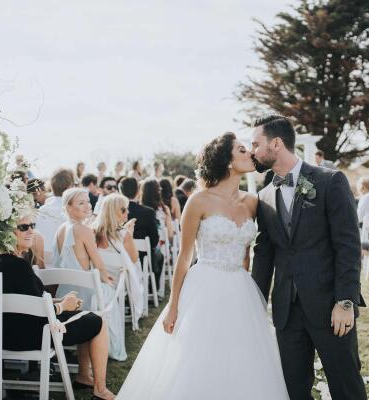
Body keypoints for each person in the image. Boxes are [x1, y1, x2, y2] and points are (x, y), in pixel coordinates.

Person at [117, 133, 289, 399]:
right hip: (204, 286)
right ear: (226, 160)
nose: (251, 153)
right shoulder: (199, 201)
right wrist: (173, 306)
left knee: (241, 357)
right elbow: (184, 257)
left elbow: (247, 253)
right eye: (242, 150)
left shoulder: (253, 202)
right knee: (197, 356)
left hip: (240, 290)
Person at [251, 115, 367, 400]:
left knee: (346, 386)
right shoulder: (264, 196)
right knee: (293, 390)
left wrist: (345, 301)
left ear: (276, 144)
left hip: (331, 307)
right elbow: (264, 254)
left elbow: (349, 246)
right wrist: (253, 302)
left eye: (256, 144)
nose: (252, 150)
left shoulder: (330, 181)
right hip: (286, 313)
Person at [0, 214, 115, 400]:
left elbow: (30, 301)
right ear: (7, 233)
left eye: (31, 225)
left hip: (7, 336)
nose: (30, 230)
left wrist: (59, 302)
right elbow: (38, 313)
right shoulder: (19, 266)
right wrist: (64, 305)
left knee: (85, 317)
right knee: (98, 321)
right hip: (36, 336)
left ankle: (84, 376)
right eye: (23, 227)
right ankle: (100, 388)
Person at [52, 188, 126, 361]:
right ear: (68, 207)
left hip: (65, 293)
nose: (87, 206)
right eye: (81, 203)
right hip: (85, 295)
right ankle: (111, 350)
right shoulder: (83, 230)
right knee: (111, 291)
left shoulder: (61, 229)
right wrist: (107, 278)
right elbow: (99, 265)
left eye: (87, 201)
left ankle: (86, 367)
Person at [93, 193, 145, 328]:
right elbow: (134, 258)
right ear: (112, 212)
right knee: (137, 268)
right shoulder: (124, 234)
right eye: (123, 210)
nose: (127, 212)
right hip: (118, 281)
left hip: (98, 279)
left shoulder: (92, 231)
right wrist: (130, 235)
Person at [119, 177, 161, 275]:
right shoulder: (148, 212)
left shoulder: (116, 211)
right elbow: (154, 240)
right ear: (138, 192)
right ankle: (154, 286)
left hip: (120, 258)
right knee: (159, 256)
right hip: (143, 258)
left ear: (120, 191)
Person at [35, 168, 74, 252]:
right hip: (63, 261)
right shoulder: (72, 211)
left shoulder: (42, 210)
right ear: (70, 187)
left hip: (42, 258)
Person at [140, 178, 174, 242]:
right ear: (158, 192)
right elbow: (170, 235)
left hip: (142, 249)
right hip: (162, 249)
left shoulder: (139, 210)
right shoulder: (164, 209)